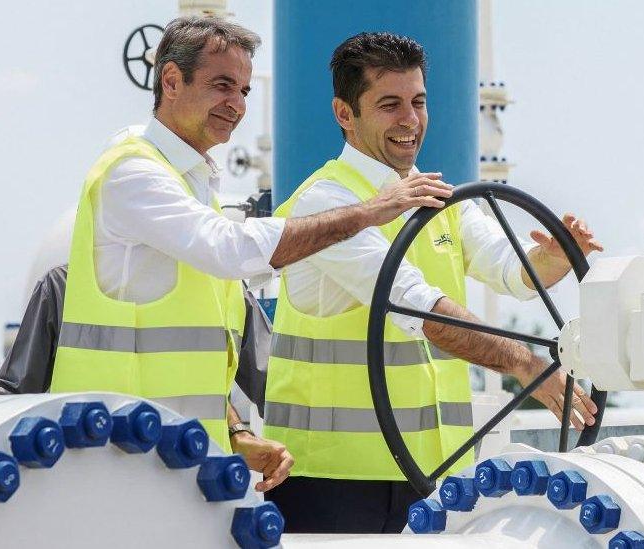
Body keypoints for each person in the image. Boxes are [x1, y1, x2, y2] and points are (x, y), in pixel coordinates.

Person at [33, 18, 454, 494]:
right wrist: (368, 212)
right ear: (171, 81)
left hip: (176, 463)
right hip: (114, 461)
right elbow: (230, 250)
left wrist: (235, 433)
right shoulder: (133, 173)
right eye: (222, 85)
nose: (236, 104)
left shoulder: (193, 185)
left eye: (245, 90)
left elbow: (195, 360)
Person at [263, 32, 604, 532]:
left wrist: (548, 259)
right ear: (344, 113)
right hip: (332, 480)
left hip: (433, 478)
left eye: (418, 102)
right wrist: (527, 363)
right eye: (389, 104)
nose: (410, 120)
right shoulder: (328, 206)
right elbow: (415, 307)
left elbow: (511, 269)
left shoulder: (440, 201)